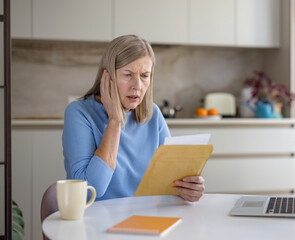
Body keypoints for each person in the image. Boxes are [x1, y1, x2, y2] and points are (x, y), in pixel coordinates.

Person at [62, 35, 205, 202]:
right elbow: (89, 191)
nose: (137, 85)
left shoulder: (153, 114)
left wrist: (189, 188)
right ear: (107, 78)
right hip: (97, 221)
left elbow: (169, 183)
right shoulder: (79, 112)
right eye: (128, 74)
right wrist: (114, 121)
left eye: (145, 76)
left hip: (145, 217)